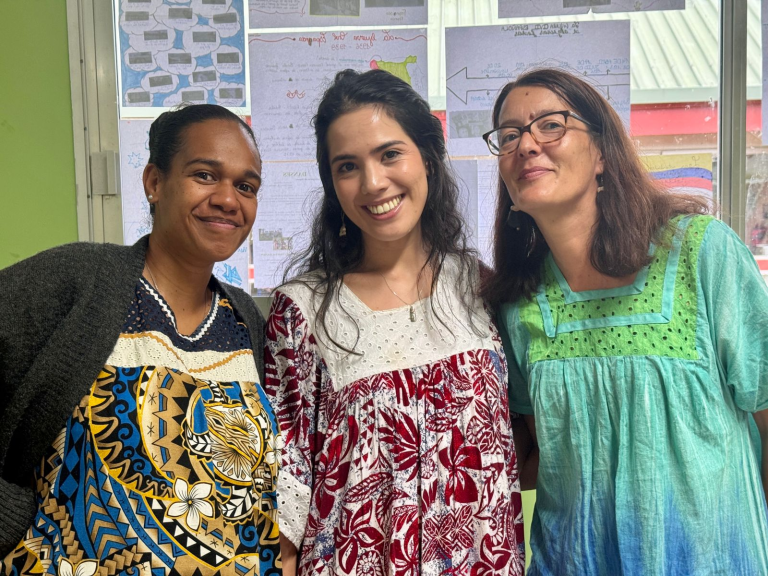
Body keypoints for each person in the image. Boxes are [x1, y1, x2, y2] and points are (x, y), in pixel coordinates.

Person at [481, 67, 768, 575]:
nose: (526, 144)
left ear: (602, 154)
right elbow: (542, 456)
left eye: (551, 125)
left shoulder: (701, 253)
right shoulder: (518, 304)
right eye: (509, 135)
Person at [0, 104, 282, 574]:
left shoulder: (245, 320)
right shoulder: (78, 283)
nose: (228, 199)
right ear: (154, 182)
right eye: (205, 175)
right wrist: (12, 520)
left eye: (246, 186)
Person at [264, 69, 525, 576]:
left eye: (389, 154)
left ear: (428, 155)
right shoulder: (303, 312)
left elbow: (520, 443)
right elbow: (287, 490)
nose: (373, 183)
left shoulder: (478, 287)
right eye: (347, 166)